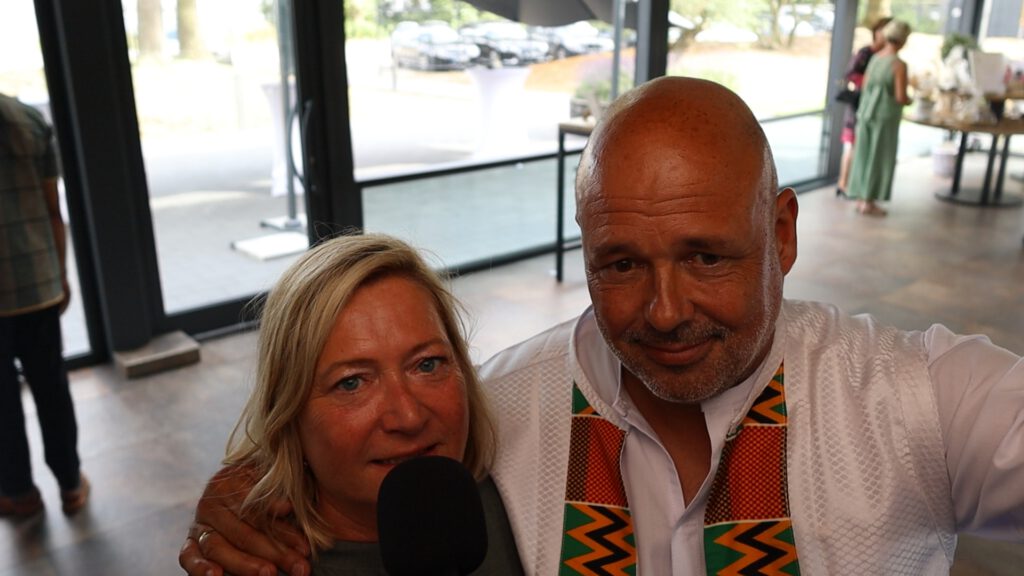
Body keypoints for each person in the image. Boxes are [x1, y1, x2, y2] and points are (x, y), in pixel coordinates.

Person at [180, 77, 1023, 575]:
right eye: (620, 264)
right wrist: (261, 491)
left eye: (706, 257)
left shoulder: (918, 398)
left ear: (782, 234)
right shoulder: (500, 407)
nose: (666, 311)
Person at [190, 233, 523, 575]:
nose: (408, 417)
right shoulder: (257, 561)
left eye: (427, 364)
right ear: (289, 416)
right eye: (351, 383)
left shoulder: (527, 496)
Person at [0, 93, 89, 518]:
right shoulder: (28, 121)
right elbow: (54, 211)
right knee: (52, 389)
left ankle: (19, 493)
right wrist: (61, 275)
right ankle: (71, 484)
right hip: (36, 285)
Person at [847, 19, 913, 216]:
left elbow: (866, 85)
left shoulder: (876, 58)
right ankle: (869, 202)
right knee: (879, 157)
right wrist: (911, 100)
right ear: (903, 40)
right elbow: (901, 97)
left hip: (866, 112)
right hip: (885, 116)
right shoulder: (899, 64)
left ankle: (860, 199)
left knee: (864, 154)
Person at [836, 16, 892, 197]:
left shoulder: (885, 57)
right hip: (858, 106)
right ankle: (843, 184)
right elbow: (850, 74)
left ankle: (854, 187)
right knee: (851, 146)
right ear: (876, 32)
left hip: (872, 107)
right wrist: (869, 83)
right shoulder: (866, 53)